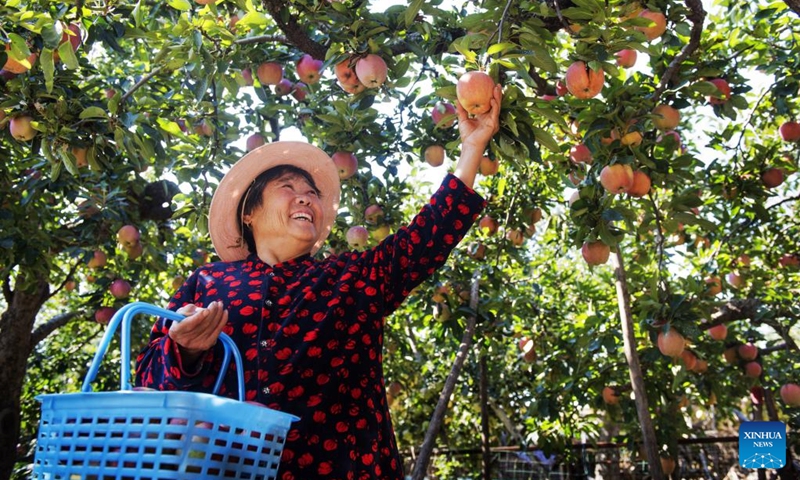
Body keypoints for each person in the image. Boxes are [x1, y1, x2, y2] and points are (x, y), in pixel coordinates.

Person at [135, 84, 503, 480]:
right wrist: (184, 349)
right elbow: (150, 383)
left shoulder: (350, 278)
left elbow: (426, 238)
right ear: (249, 213)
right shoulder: (208, 282)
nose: (307, 198)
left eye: (312, 193)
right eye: (288, 189)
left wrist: (471, 148)